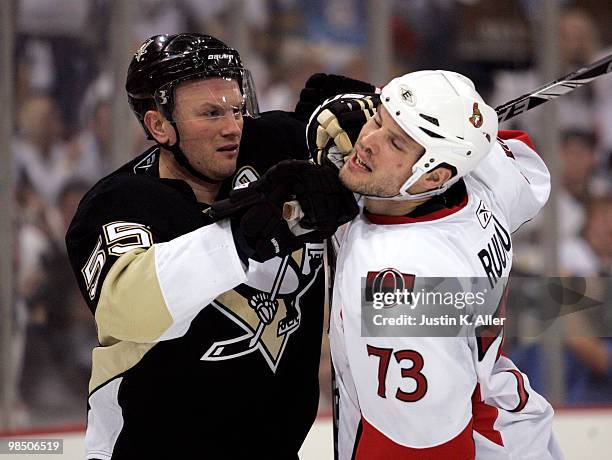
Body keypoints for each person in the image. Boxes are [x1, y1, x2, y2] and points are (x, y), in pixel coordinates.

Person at [65, 33, 360, 459]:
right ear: (159, 126)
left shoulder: (277, 149)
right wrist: (242, 237)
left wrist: (366, 116)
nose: (232, 126)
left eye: (237, 108)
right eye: (210, 113)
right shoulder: (120, 203)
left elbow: (395, 164)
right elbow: (128, 308)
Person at [307, 71, 562, 459]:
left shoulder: (397, 291)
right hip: (513, 432)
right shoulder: (483, 185)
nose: (367, 140)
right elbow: (522, 156)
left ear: (434, 176)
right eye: (376, 118)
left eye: (395, 142)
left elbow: (422, 447)